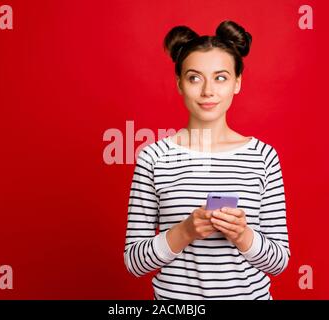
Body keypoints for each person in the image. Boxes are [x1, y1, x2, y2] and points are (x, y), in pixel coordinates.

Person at [124, 20, 290, 300]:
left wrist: (242, 236)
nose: (208, 91)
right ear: (179, 84)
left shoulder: (263, 157)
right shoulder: (153, 158)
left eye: (221, 77)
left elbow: (279, 263)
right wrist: (184, 231)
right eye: (194, 77)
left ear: (237, 83)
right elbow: (134, 263)